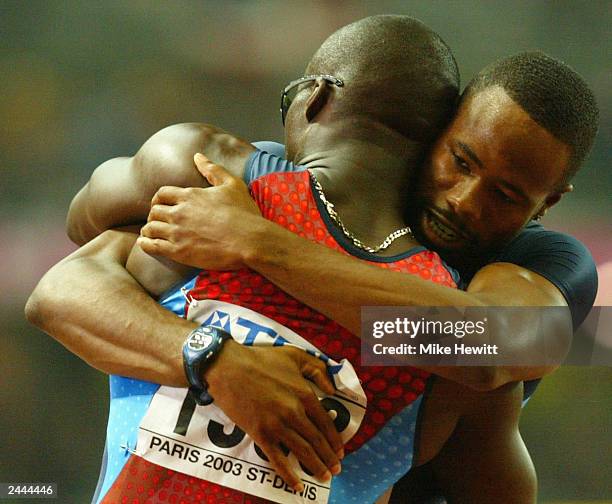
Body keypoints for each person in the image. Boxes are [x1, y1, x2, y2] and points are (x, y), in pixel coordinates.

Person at [25, 15, 598, 504]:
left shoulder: (542, 261)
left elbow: (482, 351)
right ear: (434, 134)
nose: (462, 201)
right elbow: (68, 269)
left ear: (547, 203)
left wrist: (259, 243)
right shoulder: (238, 181)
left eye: (506, 197)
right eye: (461, 161)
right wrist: (214, 361)